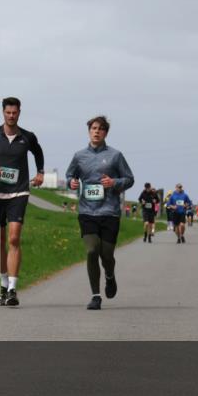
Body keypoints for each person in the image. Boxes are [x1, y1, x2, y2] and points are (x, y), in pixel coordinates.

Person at [0, 97, 45, 307]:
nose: (11, 116)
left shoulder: (27, 137)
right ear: (3, 112)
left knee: (13, 239)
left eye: (15, 113)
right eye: (8, 113)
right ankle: (3, 284)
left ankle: (12, 289)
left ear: (19, 113)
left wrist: (40, 172)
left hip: (18, 193)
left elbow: (38, 153)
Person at [65, 116, 135, 310]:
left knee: (107, 255)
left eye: (101, 129)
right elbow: (70, 175)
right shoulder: (79, 156)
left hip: (110, 212)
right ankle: (95, 296)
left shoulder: (115, 155)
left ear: (106, 133)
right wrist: (72, 182)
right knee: (91, 250)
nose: (97, 132)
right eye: (94, 128)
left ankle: (110, 276)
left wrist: (114, 182)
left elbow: (129, 179)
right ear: (89, 131)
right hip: (87, 211)